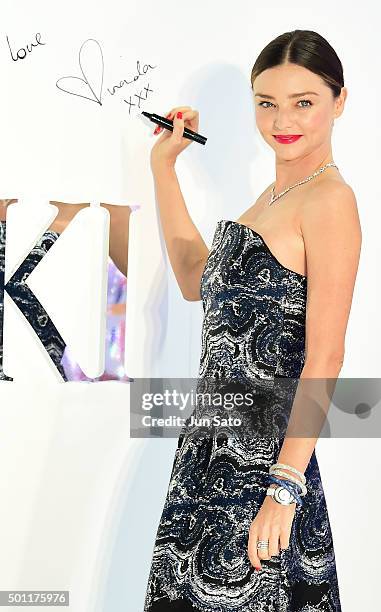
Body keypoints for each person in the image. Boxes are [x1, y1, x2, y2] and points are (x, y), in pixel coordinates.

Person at [144, 29, 361, 611]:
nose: (282, 120)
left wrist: (284, 488)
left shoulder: (330, 202)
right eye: (266, 103)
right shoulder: (268, 200)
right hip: (206, 454)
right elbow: (194, 277)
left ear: (339, 102)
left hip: (264, 466)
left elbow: (326, 356)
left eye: (303, 102)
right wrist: (164, 168)